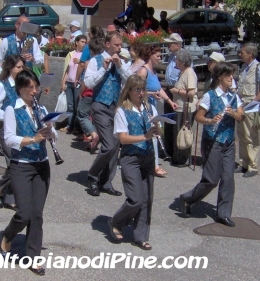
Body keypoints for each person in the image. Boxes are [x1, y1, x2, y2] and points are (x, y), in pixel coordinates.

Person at [0, 70, 57, 276]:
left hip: (41, 164)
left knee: (37, 215)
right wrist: (33, 139)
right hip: (21, 164)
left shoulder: (40, 108)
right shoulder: (11, 109)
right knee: (24, 212)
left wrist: (51, 130)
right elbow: (9, 139)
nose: (35, 91)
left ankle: (33, 257)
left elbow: (53, 135)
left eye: (36, 86)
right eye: (30, 87)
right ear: (20, 89)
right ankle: (8, 235)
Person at [180, 62, 245, 227]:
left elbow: (242, 117)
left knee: (228, 178)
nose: (232, 78)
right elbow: (198, 117)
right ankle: (188, 198)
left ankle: (223, 213)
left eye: (232, 75)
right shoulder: (210, 96)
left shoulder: (234, 97)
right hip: (213, 141)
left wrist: (234, 113)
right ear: (220, 77)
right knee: (211, 179)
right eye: (228, 75)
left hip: (228, 141)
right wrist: (210, 120)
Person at [108, 75, 161, 250]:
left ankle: (141, 236)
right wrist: (144, 137)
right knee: (136, 198)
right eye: (137, 89)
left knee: (147, 198)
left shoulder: (150, 108)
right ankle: (116, 221)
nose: (141, 93)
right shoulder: (122, 111)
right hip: (131, 158)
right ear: (129, 91)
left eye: (143, 89)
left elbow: (155, 131)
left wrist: (157, 130)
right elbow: (122, 139)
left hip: (148, 156)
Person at [85, 31, 131, 197]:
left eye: (121, 45)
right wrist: (103, 69)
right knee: (109, 145)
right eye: (117, 45)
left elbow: (130, 80)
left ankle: (106, 181)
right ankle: (93, 176)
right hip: (100, 105)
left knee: (116, 145)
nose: (119, 48)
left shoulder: (122, 62)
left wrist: (119, 66)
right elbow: (88, 82)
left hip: (116, 107)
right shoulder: (95, 61)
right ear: (107, 44)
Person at [0, 54, 25, 209]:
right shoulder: (1, 85)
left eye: (22, 66)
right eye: (18, 67)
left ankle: (3, 187)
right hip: (7, 129)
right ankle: (6, 193)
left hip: (22, 128)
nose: (21, 69)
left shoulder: (21, 84)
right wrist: (9, 117)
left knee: (19, 163)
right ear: (10, 68)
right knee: (12, 162)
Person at [136, 45, 178, 176]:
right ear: (150, 56)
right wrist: (150, 94)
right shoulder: (143, 71)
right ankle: (153, 165)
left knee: (154, 134)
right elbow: (136, 90)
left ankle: (147, 162)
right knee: (153, 134)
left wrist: (170, 101)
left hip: (151, 107)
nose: (160, 58)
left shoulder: (153, 71)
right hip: (143, 106)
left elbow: (159, 89)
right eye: (158, 55)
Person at [235, 42, 260, 177]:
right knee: (242, 135)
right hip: (241, 106)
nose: (240, 54)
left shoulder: (259, 68)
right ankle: (244, 163)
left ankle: (253, 166)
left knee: (251, 136)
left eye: (242, 52)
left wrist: (253, 102)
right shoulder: (244, 67)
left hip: (251, 108)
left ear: (250, 54)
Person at [169, 49, 198, 166]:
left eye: (177, 59)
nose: (175, 61)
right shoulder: (182, 72)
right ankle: (178, 156)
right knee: (178, 132)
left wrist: (177, 91)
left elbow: (191, 93)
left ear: (182, 61)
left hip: (186, 108)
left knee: (184, 132)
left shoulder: (189, 73)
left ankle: (184, 158)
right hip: (179, 107)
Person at [60, 34, 86, 134]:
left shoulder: (84, 55)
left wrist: (80, 62)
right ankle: (69, 126)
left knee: (77, 106)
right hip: (69, 82)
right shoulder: (71, 54)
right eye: (82, 42)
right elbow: (67, 70)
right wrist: (63, 82)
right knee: (70, 106)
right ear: (76, 42)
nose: (83, 44)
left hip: (78, 83)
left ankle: (77, 127)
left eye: (85, 42)